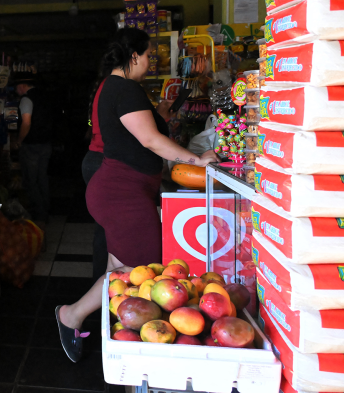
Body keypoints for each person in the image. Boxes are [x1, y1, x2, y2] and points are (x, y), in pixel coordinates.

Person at [55, 28, 218, 363]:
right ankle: (75, 318)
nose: (148, 62)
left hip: (119, 190)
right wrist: (196, 159)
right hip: (121, 194)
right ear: (133, 57)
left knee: (120, 271)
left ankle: (103, 329)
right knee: (142, 270)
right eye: (146, 56)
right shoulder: (125, 88)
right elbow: (150, 140)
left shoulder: (110, 87)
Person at [14, 74, 53, 224]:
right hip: (46, 144)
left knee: (31, 180)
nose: (16, 91)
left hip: (31, 145)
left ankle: (39, 215)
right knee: (42, 178)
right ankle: (46, 210)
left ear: (22, 86)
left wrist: (19, 141)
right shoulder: (45, 97)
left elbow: (26, 123)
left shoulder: (26, 99)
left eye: (17, 88)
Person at [82, 77, 108, 281]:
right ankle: (102, 284)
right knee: (106, 231)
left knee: (103, 229)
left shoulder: (100, 93)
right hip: (102, 162)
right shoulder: (113, 90)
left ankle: (100, 283)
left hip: (93, 160)